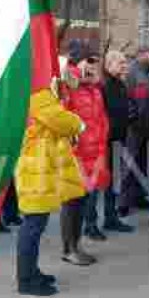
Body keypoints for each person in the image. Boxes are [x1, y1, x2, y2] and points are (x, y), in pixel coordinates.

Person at [14, 87, 86, 296]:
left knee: (35, 223)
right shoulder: (40, 98)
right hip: (36, 170)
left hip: (38, 168)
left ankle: (31, 272)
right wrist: (79, 124)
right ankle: (26, 280)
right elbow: (67, 122)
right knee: (33, 225)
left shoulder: (37, 98)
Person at [62, 42, 112, 245]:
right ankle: (70, 248)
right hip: (76, 155)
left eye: (96, 61)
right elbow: (64, 120)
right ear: (78, 61)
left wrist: (101, 149)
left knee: (82, 202)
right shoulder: (67, 84)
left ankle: (75, 245)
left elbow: (101, 120)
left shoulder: (94, 89)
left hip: (94, 154)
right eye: (90, 60)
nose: (94, 65)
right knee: (72, 203)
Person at [121, 47, 149, 219]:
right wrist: (133, 119)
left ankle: (136, 197)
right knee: (129, 164)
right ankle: (123, 202)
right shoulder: (134, 73)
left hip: (146, 126)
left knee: (142, 163)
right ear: (142, 55)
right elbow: (131, 100)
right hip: (136, 127)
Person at [101, 50, 134, 233]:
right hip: (108, 141)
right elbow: (106, 114)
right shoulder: (106, 85)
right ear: (109, 65)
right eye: (121, 63)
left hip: (118, 139)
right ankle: (100, 221)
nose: (125, 66)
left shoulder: (119, 84)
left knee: (113, 181)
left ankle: (110, 217)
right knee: (105, 182)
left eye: (125, 62)